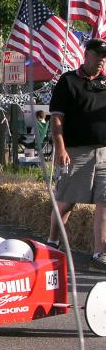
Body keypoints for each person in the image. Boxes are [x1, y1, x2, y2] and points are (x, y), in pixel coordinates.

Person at [47, 38, 106, 270]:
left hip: (104, 151)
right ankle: (52, 242)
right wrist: (60, 147)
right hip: (75, 151)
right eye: (98, 55)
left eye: (105, 56)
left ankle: (99, 254)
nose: (102, 60)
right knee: (66, 201)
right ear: (86, 55)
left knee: (104, 201)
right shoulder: (68, 81)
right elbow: (57, 117)